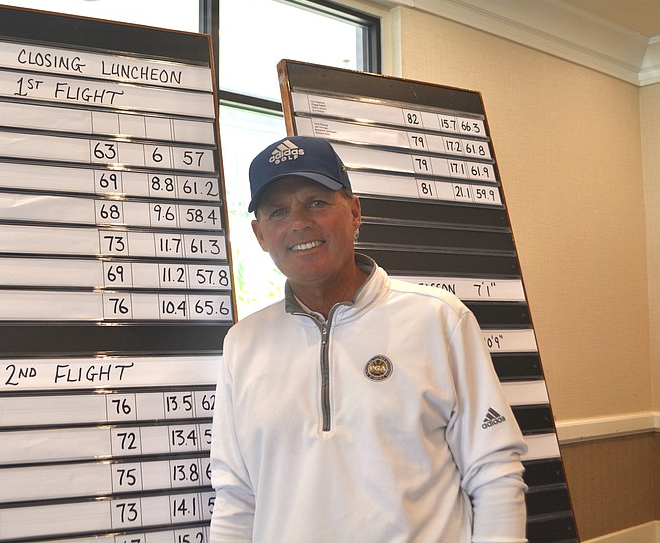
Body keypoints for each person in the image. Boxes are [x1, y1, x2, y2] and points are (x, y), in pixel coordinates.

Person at [209, 136, 528, 542]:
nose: (299, 222)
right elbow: (236, 498)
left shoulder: (440, 319)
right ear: (260, 234)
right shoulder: (243, 345)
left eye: (317, 202)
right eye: (278, 211)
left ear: (355, 212)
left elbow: (495, 471)